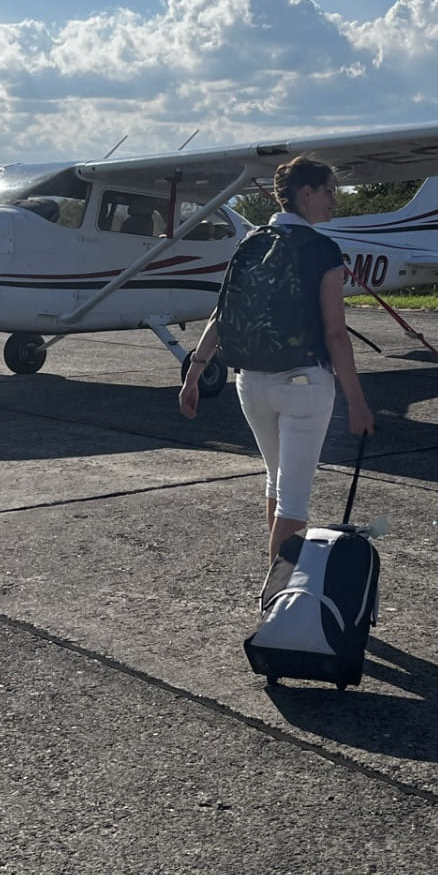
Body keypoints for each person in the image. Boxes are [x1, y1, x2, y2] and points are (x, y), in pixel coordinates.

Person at [179, 155, 375, 571]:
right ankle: (279, 603)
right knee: (295, 500)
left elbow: (222, 314)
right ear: (306, 193)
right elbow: (336, 334)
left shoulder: (249, 242)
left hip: (250, 384)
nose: (333, 202)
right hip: (303, 384)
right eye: (328, 192)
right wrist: (357, 401)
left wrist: (194, 372)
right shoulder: (323, 250)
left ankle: (277, 585)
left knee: (278, 481)